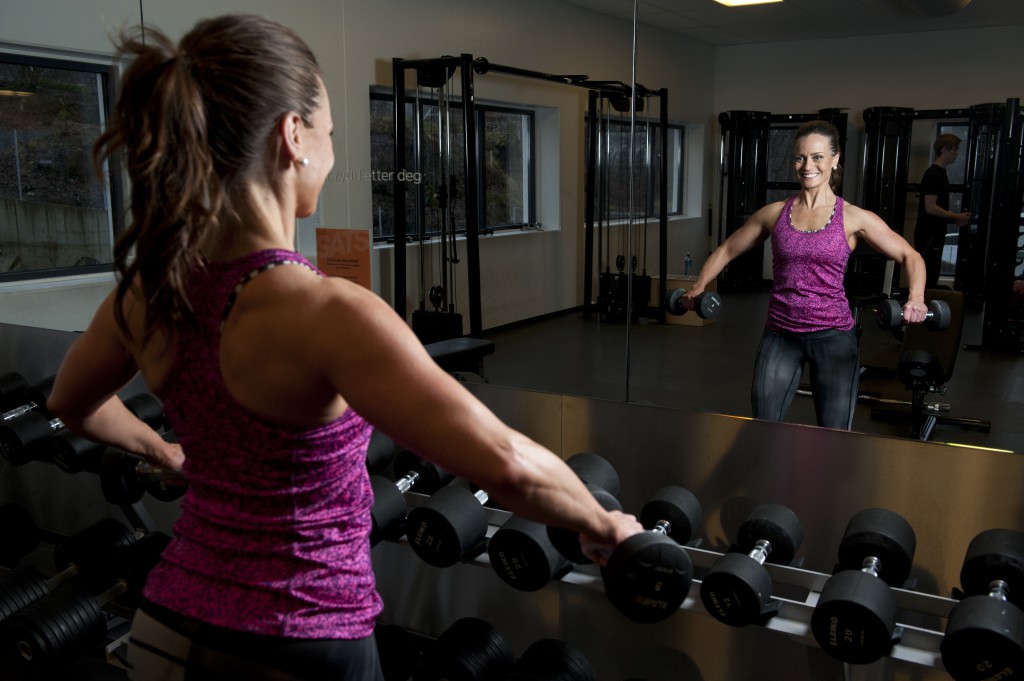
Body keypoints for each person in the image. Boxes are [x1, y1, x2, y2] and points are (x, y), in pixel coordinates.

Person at [45, 15, 641, 681]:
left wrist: (165, 451)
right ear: (292, 136)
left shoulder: (149, 292)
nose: (330, 153)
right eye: (329, 133)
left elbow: (71, 402)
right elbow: (507, 465)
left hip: (164, 626)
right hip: (297, 643)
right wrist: (605, 522)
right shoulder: (325, 312)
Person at [682, 120, 929, 430]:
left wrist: (916, 298)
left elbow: (911, 255)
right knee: (763, 426)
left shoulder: (852, 217)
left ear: (835, 158)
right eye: (799, 157)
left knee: (833, 432)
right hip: (781, 334)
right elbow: (728, 249)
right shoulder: (775, 213)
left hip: (834, 336)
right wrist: (699, 285)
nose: (807, 165)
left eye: (817, 157)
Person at [913, 133, 971, 288]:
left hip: (936, 233)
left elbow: (938, 207)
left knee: (933, 274)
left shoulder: (941, 173)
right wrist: (956, 216)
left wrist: (954, 219)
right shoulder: (933, 174)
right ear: (944, 149)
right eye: (954, 149)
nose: (957, 153)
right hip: (928, 235)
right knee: (927, 276)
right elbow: (930, 207)